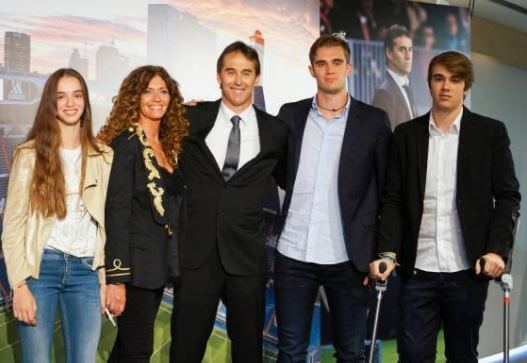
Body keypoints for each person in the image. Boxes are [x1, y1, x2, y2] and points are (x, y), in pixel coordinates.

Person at [370, 51, 521, 363]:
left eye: (455, 79)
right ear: (429, 83)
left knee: (462, 354)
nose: (446, 86)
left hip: (467, 269)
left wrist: (497, 250)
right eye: (439, 78)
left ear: (465, 86)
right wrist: (387, 252)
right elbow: (393, 199)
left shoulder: (489, 133)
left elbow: (508, 197)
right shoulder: (406, 135)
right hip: (417, 270)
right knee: (412, 355)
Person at [274, 34, 391, 362]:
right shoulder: (290, 115)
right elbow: (276, 169)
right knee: (290, 353)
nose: (329, 70)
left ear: (349, 68)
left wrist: (383, 251)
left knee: (351, 354)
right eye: (321, 64)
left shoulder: (374, 121)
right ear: (311, 69)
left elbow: (387, 191)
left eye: (336, 62)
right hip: (294, 253)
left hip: (349, 258)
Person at [170, 41, 288, 363]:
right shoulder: (189, 118)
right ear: (219, 76)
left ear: (257, 78)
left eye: (246, 73)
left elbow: (288, 179)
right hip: (196, 256)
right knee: (185, 348)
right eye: (231, 71)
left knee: (249, 352)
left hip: (247, 258)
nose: (238, 80)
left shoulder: (276, 132)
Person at [1, 68, 113, 362]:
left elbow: (105, 225)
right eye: (61, 96)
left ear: (86, 102)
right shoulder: (29, 155)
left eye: (77, 95)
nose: (70, 103)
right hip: (40, 270)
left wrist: (103, 279)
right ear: (50, 103)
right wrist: (20, 285)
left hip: (86, 272)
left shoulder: (104, 156)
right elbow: (12, 226)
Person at [98, 65, 188, 362]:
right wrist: (116, 278)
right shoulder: (126, 143)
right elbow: (117, 213)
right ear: (134, 97)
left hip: (157, 268)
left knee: (126, 352)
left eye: (163, 91)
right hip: (133, 271)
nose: (156, 98)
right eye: (147, 90)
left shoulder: (169, 146)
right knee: (138, 353)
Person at [372, 25, 417, 130]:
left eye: (410, 50)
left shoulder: (407, 88)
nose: (408, 56)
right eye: (402, 50)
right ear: (389, 53)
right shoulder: (384, 94)